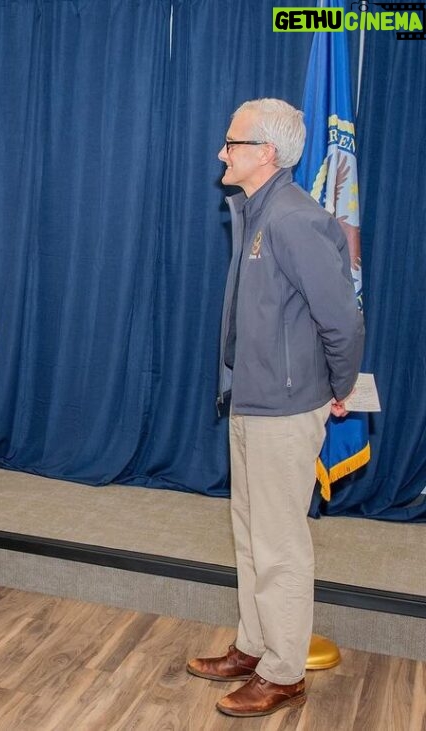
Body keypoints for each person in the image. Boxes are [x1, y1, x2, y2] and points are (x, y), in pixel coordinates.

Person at [187, 99, 364, 717]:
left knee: (280, 542)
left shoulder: (293, 219)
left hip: (285, 410)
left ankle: (284, 672)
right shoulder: (255, 212)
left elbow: (341, 318)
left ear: (265, 153)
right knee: (249, 533)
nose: (221, 153)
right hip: (251, 401)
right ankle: (256, 644)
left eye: (231, 143)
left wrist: (340, 388)